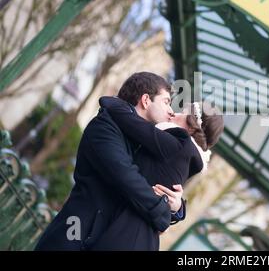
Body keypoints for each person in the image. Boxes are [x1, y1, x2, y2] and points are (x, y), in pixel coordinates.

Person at [34, 72, 184, 251]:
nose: (171, 111)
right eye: (166, 101)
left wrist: (176, 206)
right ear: (145, 100)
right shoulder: (104, 126)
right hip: (73, 237)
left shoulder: (139, 142)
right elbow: (125, 175)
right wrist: (161, 212)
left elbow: (154, 180)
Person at [91, 95, 224, 250]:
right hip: (140, 239)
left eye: (183, 114)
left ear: (192, 128)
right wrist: (178, 209)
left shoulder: (181, 143)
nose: (175, 114)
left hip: (124, 234)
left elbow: (130, 122)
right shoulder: (187, 157)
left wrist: (109, 100)